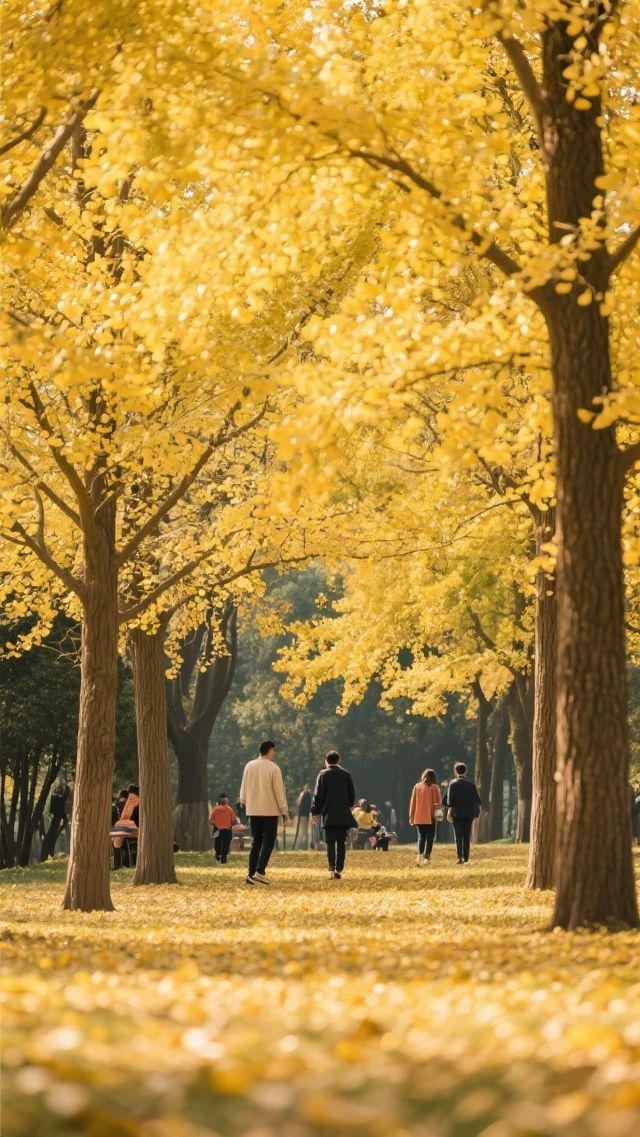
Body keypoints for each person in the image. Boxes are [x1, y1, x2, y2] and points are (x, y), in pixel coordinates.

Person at [238, 740, 288, 886]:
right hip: (269, 810)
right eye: (273, 750)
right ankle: (260, 871)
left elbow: (244, 786)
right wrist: (284, 811)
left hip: (253, 810)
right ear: (269, 750)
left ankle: (251, 874)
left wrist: (243, 800)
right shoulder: (274, 768)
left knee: (256, 842)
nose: (274, 753)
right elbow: (278, 791)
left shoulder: (249, 765)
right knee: (268, 841)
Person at [311, 750, 357, 879]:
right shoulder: (346, 775)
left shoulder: (322, 775)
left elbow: (318, 795)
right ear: (338, 761)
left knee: (330, 842)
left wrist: (314, 811)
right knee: (341, 842)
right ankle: (339, 868)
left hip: (328, 814)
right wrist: (347, 805)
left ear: (326, 761)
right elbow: (352, 795)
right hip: (343, 814)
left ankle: (331, 868)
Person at [445, 763, 481, 864]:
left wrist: (449, 812)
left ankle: (460, 857)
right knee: (466, 836)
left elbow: (449, 802)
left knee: (458, 836)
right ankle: (466, 858)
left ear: (455, 771)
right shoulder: (471, 784)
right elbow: (478, 800)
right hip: (469, 814)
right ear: (466, 771)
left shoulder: (452, 784)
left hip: (456, 814)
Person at [409, 769, 443, 865]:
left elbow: (413, 803)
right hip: (431, 817)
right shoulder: (435, 787)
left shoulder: (417, 786)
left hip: (419, 817)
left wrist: (411, 816)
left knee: (421, 837)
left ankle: (419, 856)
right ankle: (427, 857)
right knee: (430, 838)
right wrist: (439, 817)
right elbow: (438, 804)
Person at [40, 775, 70, 860]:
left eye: (64, 781)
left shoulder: (68, 790)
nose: (63, 783)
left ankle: (55, 852)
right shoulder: (57, 790)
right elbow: (55, 802)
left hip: (65, 813)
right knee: (53, 832)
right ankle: (48, 853)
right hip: (58, 813)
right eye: (62, 781)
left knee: (63, 830)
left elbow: (69, 801)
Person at [209, 794, 237, 864]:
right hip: (227, 829)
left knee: (217, 842)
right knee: (226, 843)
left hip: (217, 829)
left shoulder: (215, 809)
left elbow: (210, 820)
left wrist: (215, 823)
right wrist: (231, 824)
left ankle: (217, 855)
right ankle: (224, 858)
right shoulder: (229, 809)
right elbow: (234, 820)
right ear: (226, 802)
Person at [294, 784, 312, 849]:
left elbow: (297, 802)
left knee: (303, 830)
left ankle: (302, 845)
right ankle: (305, 845)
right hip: (306, 815)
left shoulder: (304, 794)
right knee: (305, 830)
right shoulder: (309, 795)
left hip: (303, 814)